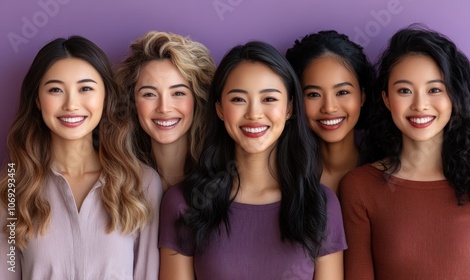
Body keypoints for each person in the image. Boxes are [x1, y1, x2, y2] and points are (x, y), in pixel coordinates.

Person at [158, 41, 346, 279]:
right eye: (238, 99)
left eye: (269, 99)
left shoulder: (320, 203)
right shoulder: (183, 202)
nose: (254, 114)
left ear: (289, 108)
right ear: (219, 109)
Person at [339, 25, 470, 279]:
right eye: (404, 90)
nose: (420, 105)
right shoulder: (359, 187)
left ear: (455, 96)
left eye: (435, 89)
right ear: (386, 99)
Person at [0, 36, 162, 280]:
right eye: (55, 90)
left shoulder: (142, 183)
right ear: (37, 100)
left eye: (85, 88)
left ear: (105, 96)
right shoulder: (13, 185)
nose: (71, 104)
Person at [115, 31, 215, 191]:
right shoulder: (116, 181)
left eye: (178, 93)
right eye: (149, 94)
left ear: (197, 98)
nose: (164, 108)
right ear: (132, 101)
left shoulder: (221, 180)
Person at [286, 30, 374, 194]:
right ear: (295, 100)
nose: (329, 107)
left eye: (342, 92)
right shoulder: (283, 174)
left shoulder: (386, 170)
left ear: (362, 96)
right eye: (314, 95)